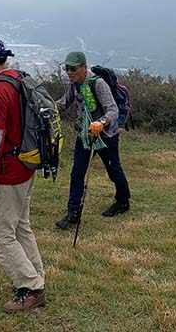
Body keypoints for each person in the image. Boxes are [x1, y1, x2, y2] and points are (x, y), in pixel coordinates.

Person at [0, 35, 46, 313]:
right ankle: (35, 275)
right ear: (4, 58)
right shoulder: (18, 79)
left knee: (0, 237)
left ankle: (31, 288)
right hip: (26, 165)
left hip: (6, 172)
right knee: (20, 226)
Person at [54, 51, 131, 230]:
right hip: (84, 135)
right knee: (77, 173)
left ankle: (123, 201)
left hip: (105, 136)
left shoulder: (98, 84)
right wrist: (46, 108)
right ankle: (73, 212)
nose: (69, 72)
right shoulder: (74, 85)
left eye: (73, 68)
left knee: (113, 170)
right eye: (67, 68)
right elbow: (63, 103)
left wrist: (101, 122)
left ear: (84, 67)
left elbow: (113, 111)